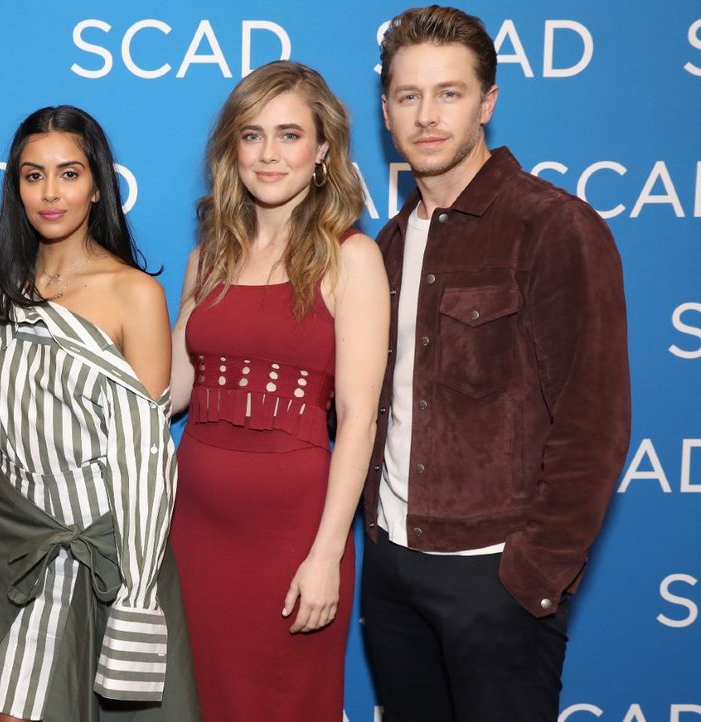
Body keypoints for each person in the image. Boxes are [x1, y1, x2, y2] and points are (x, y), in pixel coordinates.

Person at [360, 7, 632, 722]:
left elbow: (594, 421)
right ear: (386, 110)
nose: (427, 116)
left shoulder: (552, 227)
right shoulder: (381, 249)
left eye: (449, 93)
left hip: (497, 581)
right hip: (391, 575)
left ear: (488, 102)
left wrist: (535, 572)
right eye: (408, 96)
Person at [167, 61, 389, 721]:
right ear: (232, 149)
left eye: (289, 135)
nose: (269, 154)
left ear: (322, 150)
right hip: (195, 532)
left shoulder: (351, 258)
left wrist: (326, 554)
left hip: (293, 539)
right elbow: (172, 389)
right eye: (253, 134)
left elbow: (357, 421)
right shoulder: (208, 258)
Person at [0, 106, 199, 722]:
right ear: (14, 187)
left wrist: (139, 588)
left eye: (68, 174)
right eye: (32, 175)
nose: (49, 192)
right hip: (14, 547)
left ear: (97, 185)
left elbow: (146, 456)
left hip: (109, 549)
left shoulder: (134, 293)